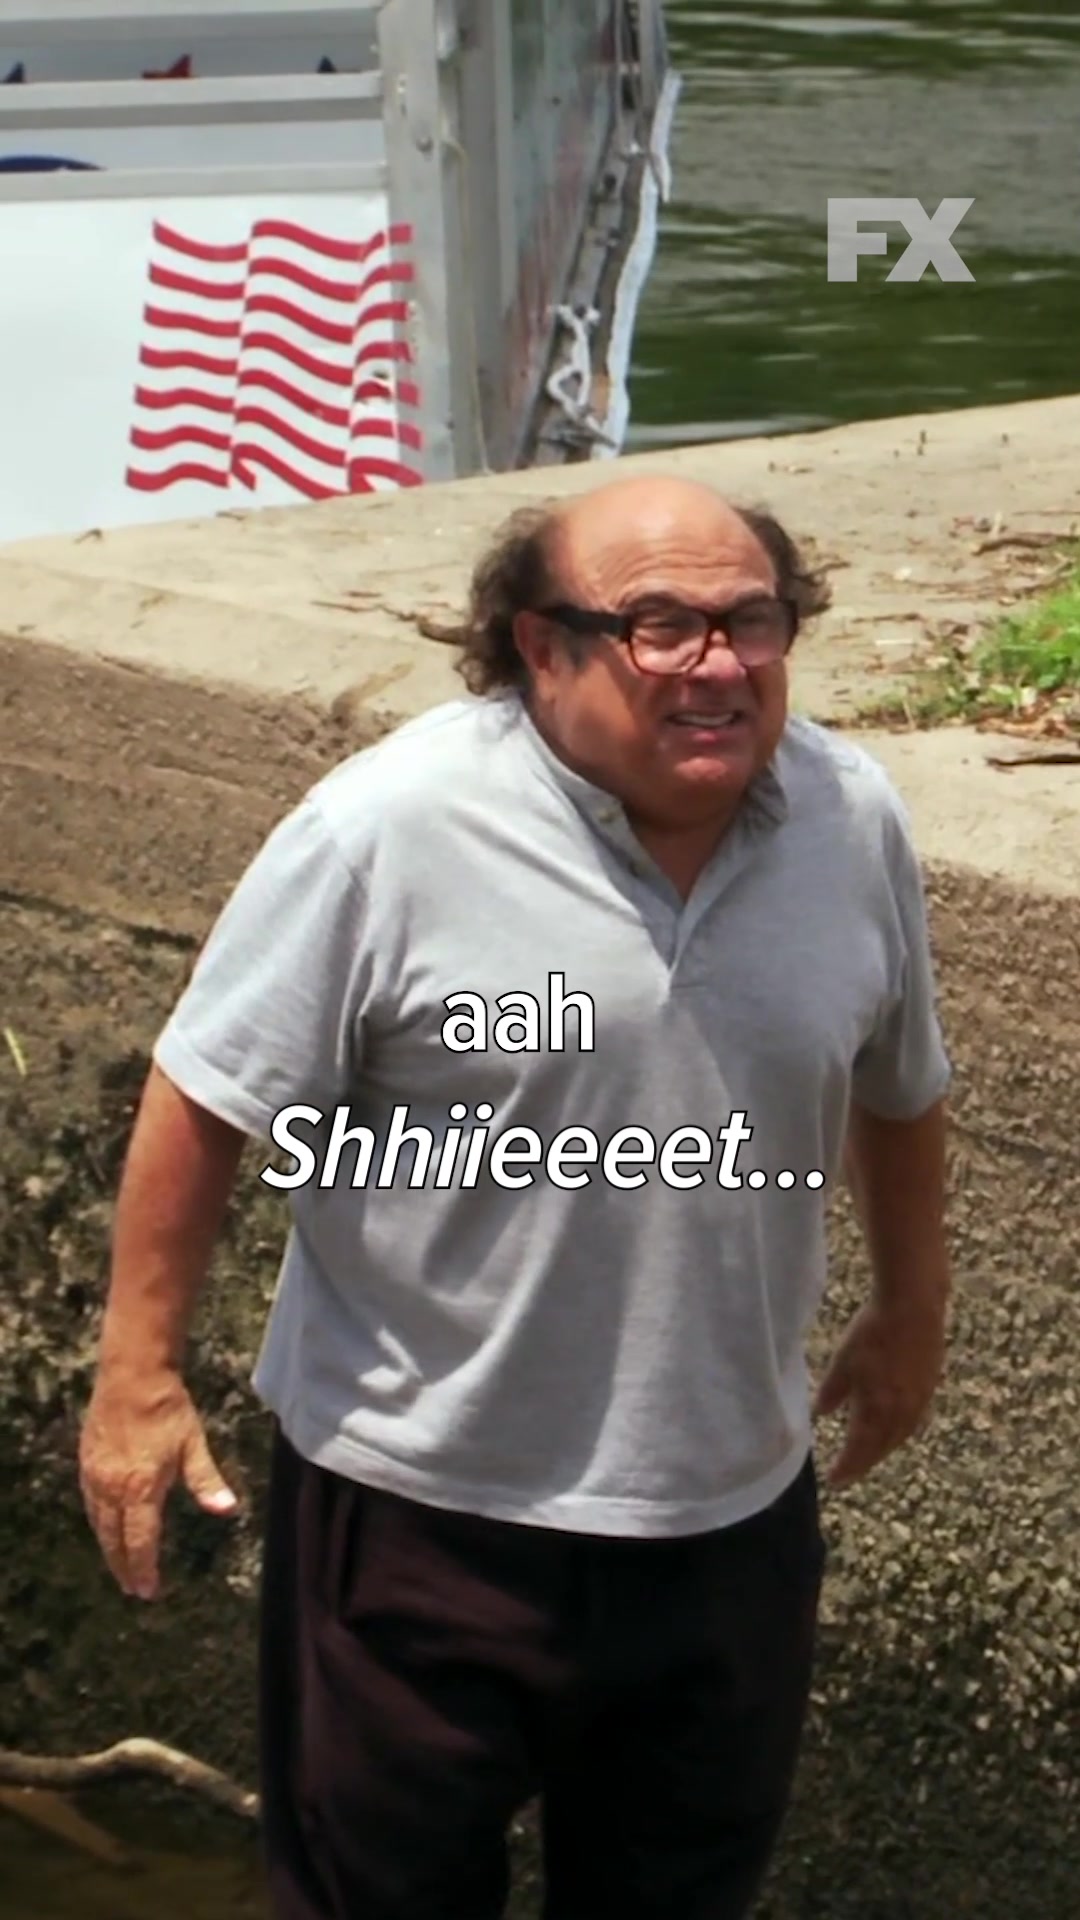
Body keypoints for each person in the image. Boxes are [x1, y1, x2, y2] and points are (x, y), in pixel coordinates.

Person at [79, 474, 952, 1920]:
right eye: (660, 627)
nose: (720, 666)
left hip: (727, 1520)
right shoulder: (387, 829)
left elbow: (901, 1083)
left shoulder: (849, 821)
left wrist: (914, 1307)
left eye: (751, 621)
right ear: (541, 647)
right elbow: (207, 1091)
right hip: (421, 1511)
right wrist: (136, 1376)